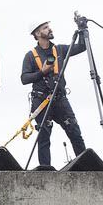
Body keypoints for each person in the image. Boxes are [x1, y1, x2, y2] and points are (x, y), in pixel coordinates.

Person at [21, 20, 87, 166]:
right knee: (44, 136)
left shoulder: (60, 50)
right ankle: (46, 170)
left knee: (74, 131)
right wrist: (42, 72)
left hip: (60, 98)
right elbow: (24, 78)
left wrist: (82, 29)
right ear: (37, 33)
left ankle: (85, 164)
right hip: (41, 99)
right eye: (45, 27)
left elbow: (82, 47)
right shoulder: (31, 56)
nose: (49, 29)